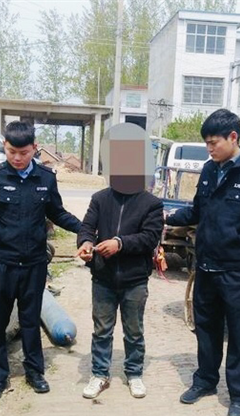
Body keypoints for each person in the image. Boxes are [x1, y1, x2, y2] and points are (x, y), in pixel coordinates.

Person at [165, 108, 240, 416]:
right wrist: (167, 218)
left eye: (213, 142)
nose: (209, 148)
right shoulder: (209, 169)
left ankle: (239, 395)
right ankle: (205, 381)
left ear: (233, 137)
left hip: (237, 271)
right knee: (206, 329)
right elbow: (197, 211)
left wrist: (239, 241)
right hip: (206, 267)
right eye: (206, 143)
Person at [0, 121, 81, 400]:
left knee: (31, 321)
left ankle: (35, 372)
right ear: (5, 147)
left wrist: (85, 229)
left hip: (34, 264)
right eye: (11, 152)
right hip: (2, 264)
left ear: (35, 149)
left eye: (23, 153)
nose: (17, 158)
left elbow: (57, 213)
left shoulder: (45, 178)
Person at [76, 123, 164, 400]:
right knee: (102, 330)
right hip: (103, 278)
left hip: (134, 280)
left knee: (133, 331)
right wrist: (85, 244)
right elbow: (86, 227)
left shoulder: (151, 203)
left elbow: (149, 238)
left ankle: (134, 373)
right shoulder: (100, 199)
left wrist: (120, 243)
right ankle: (99, 374)